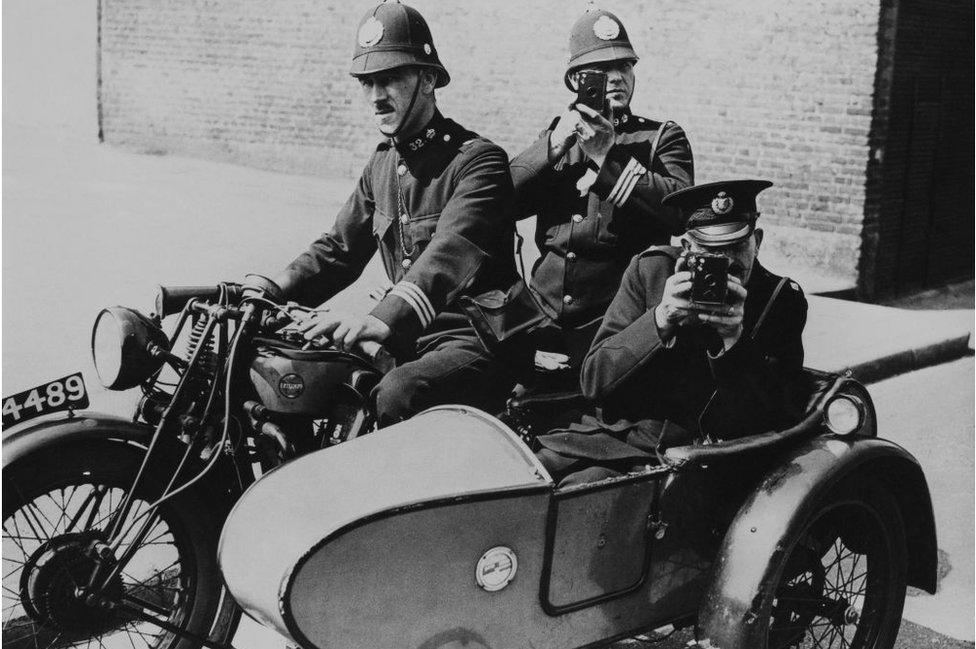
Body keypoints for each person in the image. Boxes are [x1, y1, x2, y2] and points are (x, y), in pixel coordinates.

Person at [248, 1, 533, 426]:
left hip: (475, 341)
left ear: (429, 79)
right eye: (367, 82)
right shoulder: (382, 164)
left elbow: (448, 255)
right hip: (410, 339)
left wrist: (379, 320)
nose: (377, 96)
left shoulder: (477, 161)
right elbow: (338, 249)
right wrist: (270, 287)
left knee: (398, 394)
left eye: (391, 79)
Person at [535, 180, 809, 486]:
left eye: (736, 247)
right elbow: (594, 380)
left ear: (757, 240)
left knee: (583, 494)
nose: (726, 263)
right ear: (688, 248)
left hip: (699, 458)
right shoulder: (651, 271)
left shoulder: (780, 299)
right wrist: (660, 318)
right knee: (522, 479)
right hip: (612, 439)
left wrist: (734, 342)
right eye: (710, 252)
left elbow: (776, 415)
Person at [509, 6, 694, 367]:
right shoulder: (558, 138)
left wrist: (607, 158)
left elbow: (679, 214)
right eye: (602, 69)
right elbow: (500, 203)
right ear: (576, 80)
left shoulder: (659, 138)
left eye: (624, 66)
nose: (616, 77)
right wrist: (549, 150)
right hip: (541, 320)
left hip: (617, 325)